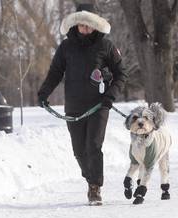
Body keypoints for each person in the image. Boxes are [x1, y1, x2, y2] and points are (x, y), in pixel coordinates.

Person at [37, 4, 127, 205]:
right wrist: (43, 93)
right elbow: (55, 73)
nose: (85, 29)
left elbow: (121, 74)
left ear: (95, 26)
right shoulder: (66, 47)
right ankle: (90, 177)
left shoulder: (106, 46)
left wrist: (110, 95)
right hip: (74, 106)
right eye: (82, 26)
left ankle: (94, 188)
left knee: (93, 146)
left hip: (99, 105)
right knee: (79, 150)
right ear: (76, 25)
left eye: (89, 26)